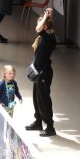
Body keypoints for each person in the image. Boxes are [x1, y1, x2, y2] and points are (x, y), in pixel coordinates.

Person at [26, 7, 57, 137]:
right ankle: (38, 121)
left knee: (44, 99)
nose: (37, 25)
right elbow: (40, 28)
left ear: (44, 26)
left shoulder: (49, 37)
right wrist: (47, 14)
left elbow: (38, 28)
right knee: (36, 97)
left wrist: (44, 18)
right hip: (38, 72)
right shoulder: (44, 36)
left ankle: (50, 127)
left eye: (40, 23)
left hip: (44, 73)